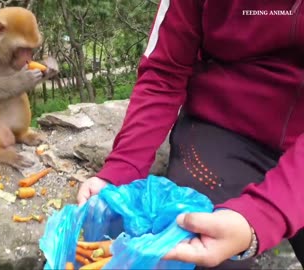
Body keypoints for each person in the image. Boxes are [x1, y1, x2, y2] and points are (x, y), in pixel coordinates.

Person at [77, 0, 304, 269]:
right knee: (193, 245)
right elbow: (164, 71)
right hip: (223, 127)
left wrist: (264, 215)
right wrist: (122, 167)